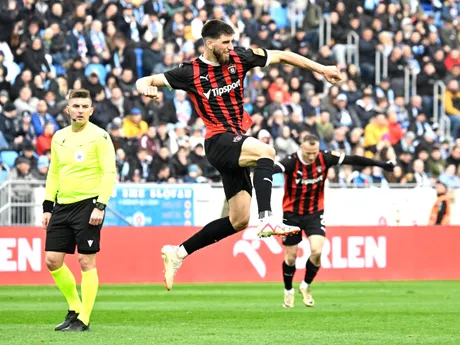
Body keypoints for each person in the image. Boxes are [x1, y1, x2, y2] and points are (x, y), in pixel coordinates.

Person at [136, 19, 342, 291]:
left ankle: (178, 253)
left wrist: (322, 68)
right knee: (266, 151)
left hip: (235, 142)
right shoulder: (190, 72)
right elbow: (145, 79)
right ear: (209, 44)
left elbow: (282, 56)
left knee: (239, 220)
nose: (231, 47)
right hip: (218, 141)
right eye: (225, 42)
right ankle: (268, 218)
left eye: (232, 41)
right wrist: (145, 87)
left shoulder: (239, 58)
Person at [273, 134, 394, 308]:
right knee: (291, 257)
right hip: (291, 214)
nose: (312, 156)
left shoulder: (325, 157)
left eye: (314, 152)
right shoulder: (291, 162)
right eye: (308, 153)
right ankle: (288, 290)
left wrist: (380, 164)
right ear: (301, 149)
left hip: (314, 212)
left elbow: (353, 158)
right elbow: (274, 168)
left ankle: (305, 286)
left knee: (317, 251)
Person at [42, 89, 117, 331]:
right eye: (76, 106)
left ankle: (83, 319)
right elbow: (54, 172)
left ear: (91, 111)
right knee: (52, 260)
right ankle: (74, 308)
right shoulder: (59, 137)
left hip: (88, 204)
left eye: (85, 106)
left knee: (86, 261)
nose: (81, 110)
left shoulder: (101, 137)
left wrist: (100, 205)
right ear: (68, 109)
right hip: (62, 205)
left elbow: (109, 172)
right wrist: (47, 206)